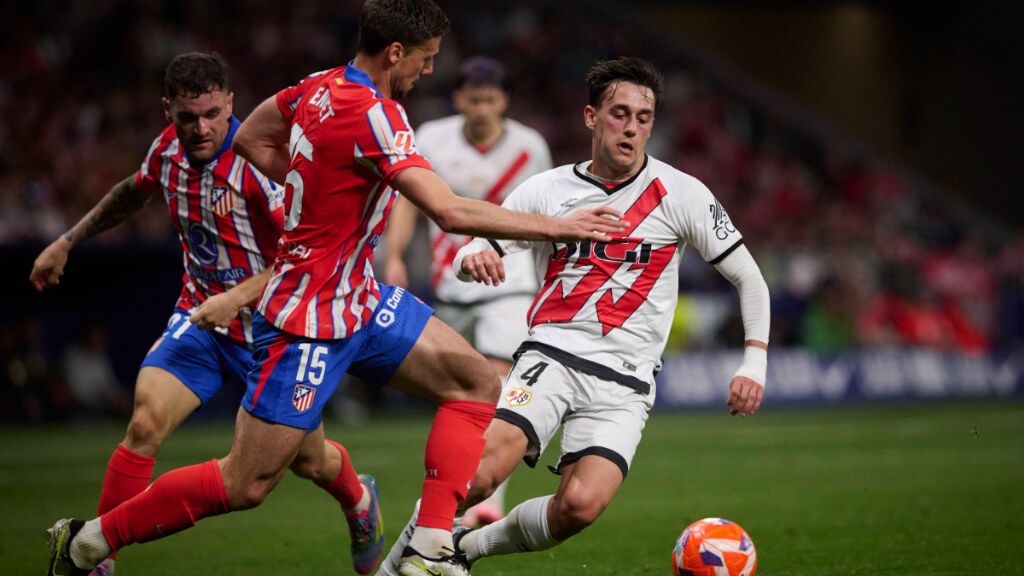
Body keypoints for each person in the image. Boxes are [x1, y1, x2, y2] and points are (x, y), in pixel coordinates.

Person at [45, 3, 627, 576]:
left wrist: (310, 187)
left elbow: (249, 137)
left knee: (476, 382)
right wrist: (561, 226)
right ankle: (87, 543)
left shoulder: (316, 88)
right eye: (424, 60)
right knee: (245, 483)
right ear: (395, 52)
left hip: (360, 298)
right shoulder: (379, 115)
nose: (427, 72)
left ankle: (429, 545)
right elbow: (447, 211)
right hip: (306, 316)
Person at [377, 56, 770, 574]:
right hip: (553, 354)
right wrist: (477, 258)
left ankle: (464, 552)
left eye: (643, 117)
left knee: (579, 506)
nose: (631, 127)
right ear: (591, 117)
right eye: (619, 113)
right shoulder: (547, 190)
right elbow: (480, 251)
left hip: (627, 380)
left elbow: (750, 278)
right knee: (479, 476)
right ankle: (396, 568)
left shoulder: (683, 194)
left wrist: (753, 362)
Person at [36, 52, 384, 576]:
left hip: (272, 334)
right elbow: (132, 193)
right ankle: (96, 555)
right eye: (186, 117)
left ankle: (359, 502)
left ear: (230, 104)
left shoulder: (264, 166)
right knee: (145, 420)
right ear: (167, 111)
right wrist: (68, 239)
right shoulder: (166, 151)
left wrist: (239, 297)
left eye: (212, 115)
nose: (200, 128)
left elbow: (308, 259)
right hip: (199, 321)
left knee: (311, 461)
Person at [382, 55, 552, 527]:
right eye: (473, 99)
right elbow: (407, 203)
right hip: (450, 284)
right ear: (459, 99)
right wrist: (394, 256)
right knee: (462, 396)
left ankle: (486, 498)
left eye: (490, 99)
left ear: (504, 101)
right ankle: (457, 487)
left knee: (499, 384)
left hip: (509, 283)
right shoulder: (432, 138)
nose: (481, 108)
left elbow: (541, 215)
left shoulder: (529, 146)